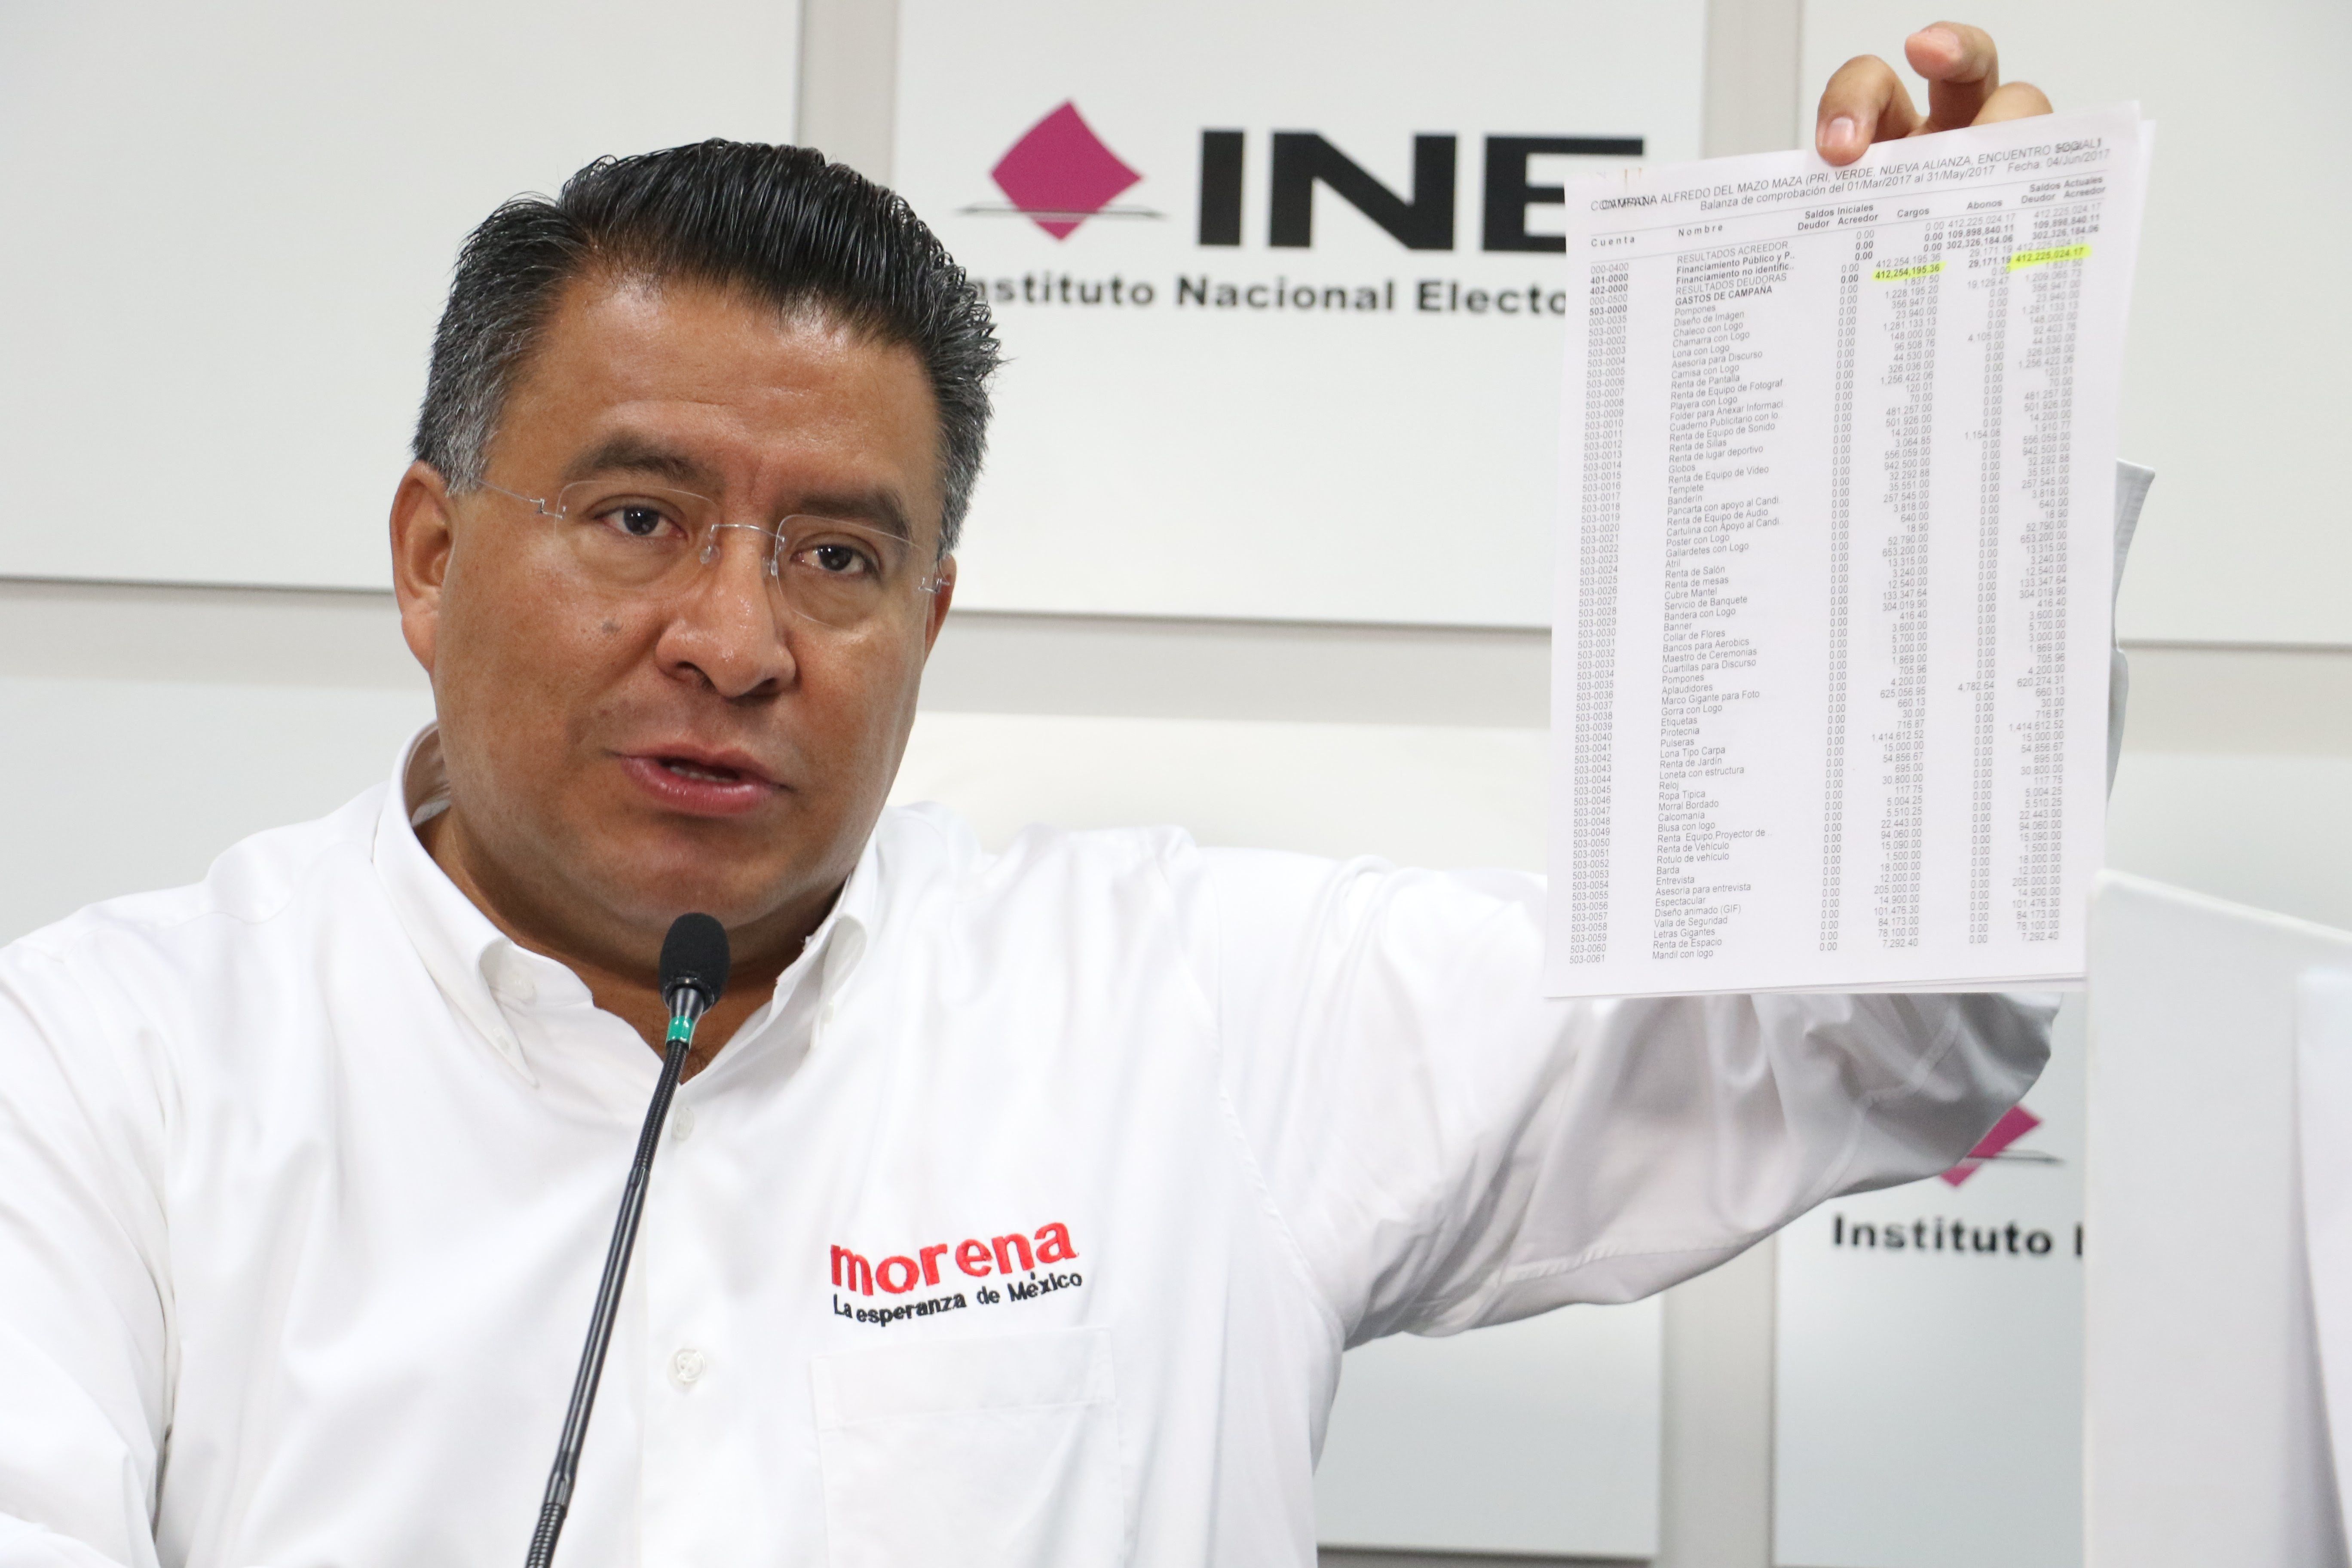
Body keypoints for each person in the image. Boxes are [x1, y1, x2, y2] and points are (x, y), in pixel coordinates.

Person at [0, 24, 2060, 1567]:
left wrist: (1947, 416)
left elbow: (1887, 1034)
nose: (735, 639)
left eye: (837, 555)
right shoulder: (108, 1068)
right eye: (639, 517)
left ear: (929, 616)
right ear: (432, 557)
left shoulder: (1194, 1013)